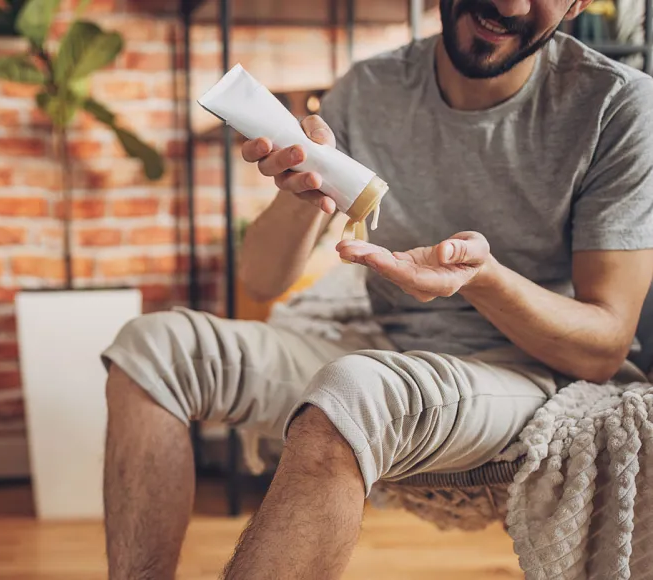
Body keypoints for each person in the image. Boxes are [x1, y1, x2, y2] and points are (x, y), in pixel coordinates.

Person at [99, 0, 653, 578]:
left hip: (526, 374)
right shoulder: (369, 88)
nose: (509, 3)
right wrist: (302, 196)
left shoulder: (614, 104)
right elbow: (262, 279)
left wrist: (483, 279)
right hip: (389, 348)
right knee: (151, 349)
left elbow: (604, 347)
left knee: (352, 390)